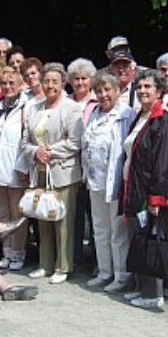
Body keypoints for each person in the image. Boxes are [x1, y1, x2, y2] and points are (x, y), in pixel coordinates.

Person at [20, 62, 83, 283]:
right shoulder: (35, 108)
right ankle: (44, 264)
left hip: (63, 172)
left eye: (55, 81)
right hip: (39, 171)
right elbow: (25, 141)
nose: (50, 85)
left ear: (63, 83)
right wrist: (36, 151)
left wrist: (49, 152)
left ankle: (63, 267)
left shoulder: (72, 108)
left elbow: (74, 142)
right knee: (42, 217)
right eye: (46, 81)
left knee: (63, 221)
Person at [121, 69, 168, 310]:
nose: (143, 91)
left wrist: (156, 198)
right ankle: (143, 289)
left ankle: (154, 294)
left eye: (148, 87)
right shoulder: (141, 116)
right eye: (140, 87)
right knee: (140, 238)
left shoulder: (163, 120)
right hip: (134, 188)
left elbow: (163, 162)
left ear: (159, 90)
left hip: (149, 192)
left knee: (152, 241)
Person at [81, 72, 135, 292]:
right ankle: (105, 271)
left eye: (107, 90)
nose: (103, 95)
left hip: (115, 182)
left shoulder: (126, 114)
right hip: (95, 180)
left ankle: (122, 275)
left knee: (117, 231)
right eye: (99, 90)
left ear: (117, 91)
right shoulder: (93, 113)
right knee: (100, 229)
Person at [0, 67, 30, 271]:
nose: (8, 87)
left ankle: (18, 253)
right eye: (4, 83)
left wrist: (23, 166)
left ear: (20, 85)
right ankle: (7, 253)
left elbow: (27, 138)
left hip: (15, 168)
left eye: (12, 83)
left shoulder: (26, 106)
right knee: (2, 213)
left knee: (17, 214)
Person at [67, 58, 98, 267]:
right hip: (70, 166)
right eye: (76, 79)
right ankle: (75, 257)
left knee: (95, 216)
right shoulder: (66, 101)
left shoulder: (98, 102)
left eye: (84, 78)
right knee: (74, 214)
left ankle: (98, 259)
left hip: (93, 166)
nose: (80, 83)